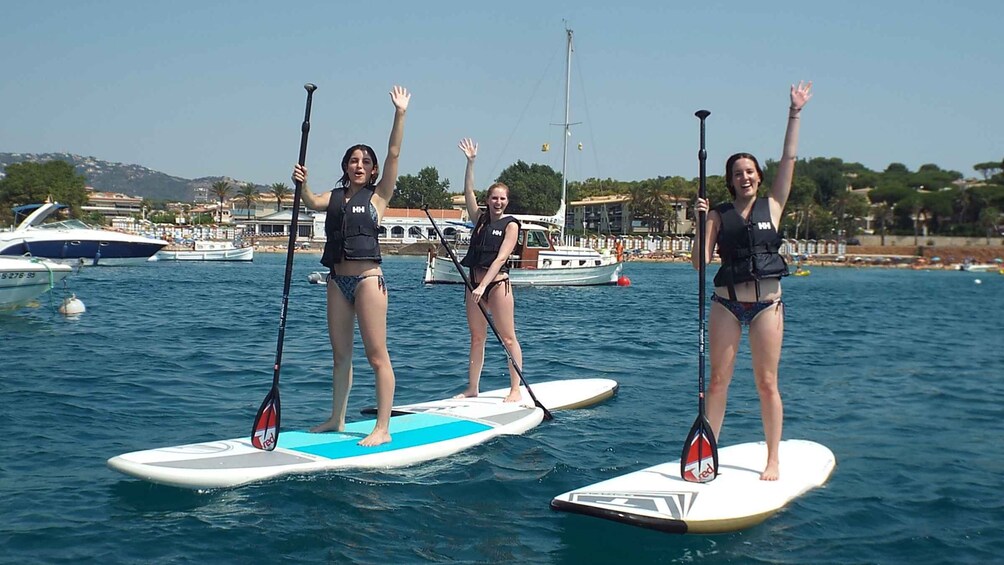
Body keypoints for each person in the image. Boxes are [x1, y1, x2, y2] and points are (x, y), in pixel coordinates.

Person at [692, 81, 813, 480]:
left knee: (766, 383)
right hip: (726, 302)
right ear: (729, 180)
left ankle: (773, 458)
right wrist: (699, 222)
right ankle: (706, 456)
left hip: (768, 305)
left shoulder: (774, 204)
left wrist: (794, 112)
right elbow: (698, 263)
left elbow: (789, 157)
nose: (743, 177)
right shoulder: (716, 214)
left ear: (759, 176)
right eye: (736, 173)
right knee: (718, 383)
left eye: (749, 171)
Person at [291, 85, 410, 446]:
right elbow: (311, 201)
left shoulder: (379, 196)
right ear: (346, 166)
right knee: (340, 356)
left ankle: (383, 427)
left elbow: (393, 153)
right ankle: (337, 418)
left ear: (372, 170)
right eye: (353, 161)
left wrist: (400, 114)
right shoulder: (334, 197)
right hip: (336, 283)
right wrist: (303, 181)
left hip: (367, 281)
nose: (359, 165)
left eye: (365, 162)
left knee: (377, 356)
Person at [453, 138, 524, 403]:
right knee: (476, 337)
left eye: (502, 199)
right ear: (489, 199)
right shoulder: (480, 219)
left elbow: (500, 258)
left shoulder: (511, 225)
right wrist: (470, 163)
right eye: (494, 198)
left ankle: (515, 388)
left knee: (507, 337)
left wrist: (484, 286)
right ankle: (472, 387)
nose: (498, 202)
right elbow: (468, 193)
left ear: (507, 202)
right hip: (474, 283)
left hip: (496, 286)